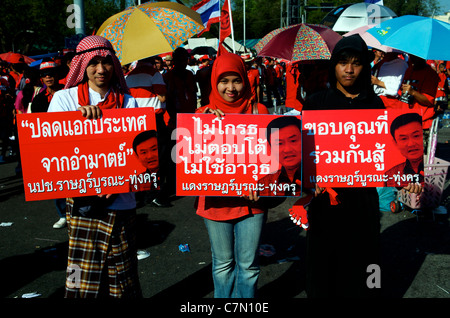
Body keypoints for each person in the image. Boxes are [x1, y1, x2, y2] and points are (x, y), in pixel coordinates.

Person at [48, 35, 142, 298]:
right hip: (82, 200)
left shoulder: (128, 102)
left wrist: (115, 183)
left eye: (107, 62)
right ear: (81, 65)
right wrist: (77, 122)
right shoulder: (64, 100)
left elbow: (137, 151)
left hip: (121, 199)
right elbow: (53, 151)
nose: (101, 70)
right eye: (94, 63)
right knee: (79, 268)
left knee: (122, 271)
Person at [302, 34, 389, 298]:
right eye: (342, 62)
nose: (349, 70)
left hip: (363, 203)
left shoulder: (375, 105)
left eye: (356, 63)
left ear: (365, 66)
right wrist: (308, 182)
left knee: (364, 270)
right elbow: (303, 155)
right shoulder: (316, 103)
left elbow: (383, 155)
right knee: (323, 268)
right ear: (333, 65)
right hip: (324, 204)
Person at [195, 51, 270, 298]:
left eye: (236, 80)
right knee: (223, 264)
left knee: (248, 267)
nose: (231, 88)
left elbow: (273, 158)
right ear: (214, 82)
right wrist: (201, 125)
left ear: (245, 80)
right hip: (216, 203)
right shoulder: (202, 114)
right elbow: (190, 160)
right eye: (223, 81)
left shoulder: (260, 111)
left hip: (253, 202)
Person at [257, 116, 302, 196]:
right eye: (279, 144)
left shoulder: (319, 178)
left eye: (293, 141)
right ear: (270, 148)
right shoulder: (264, 184)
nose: (287, 149)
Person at [397, 54, 439, 131]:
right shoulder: (408, 70)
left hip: (420, 123)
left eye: (415, 56)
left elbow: (429, 101)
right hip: (403, 120)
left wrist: (413, 92)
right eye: (411, 56)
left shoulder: (431, 74)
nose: (412, 58)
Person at [384, 112, 424, 187]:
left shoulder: (436, 168)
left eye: (416, 136)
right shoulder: (390, 175)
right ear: (395, 143)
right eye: (404, 139)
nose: (411, 144)